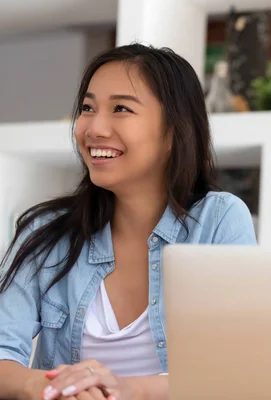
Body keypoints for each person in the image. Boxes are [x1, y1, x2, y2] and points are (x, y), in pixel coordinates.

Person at [0, 44, 257, 400]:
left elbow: (233, 370)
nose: (94, 128)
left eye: (120, 108)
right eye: (88, 108)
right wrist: (50, 387)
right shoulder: (46, 232)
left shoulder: (217, 220)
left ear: (174, 131)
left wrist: (126, 388)